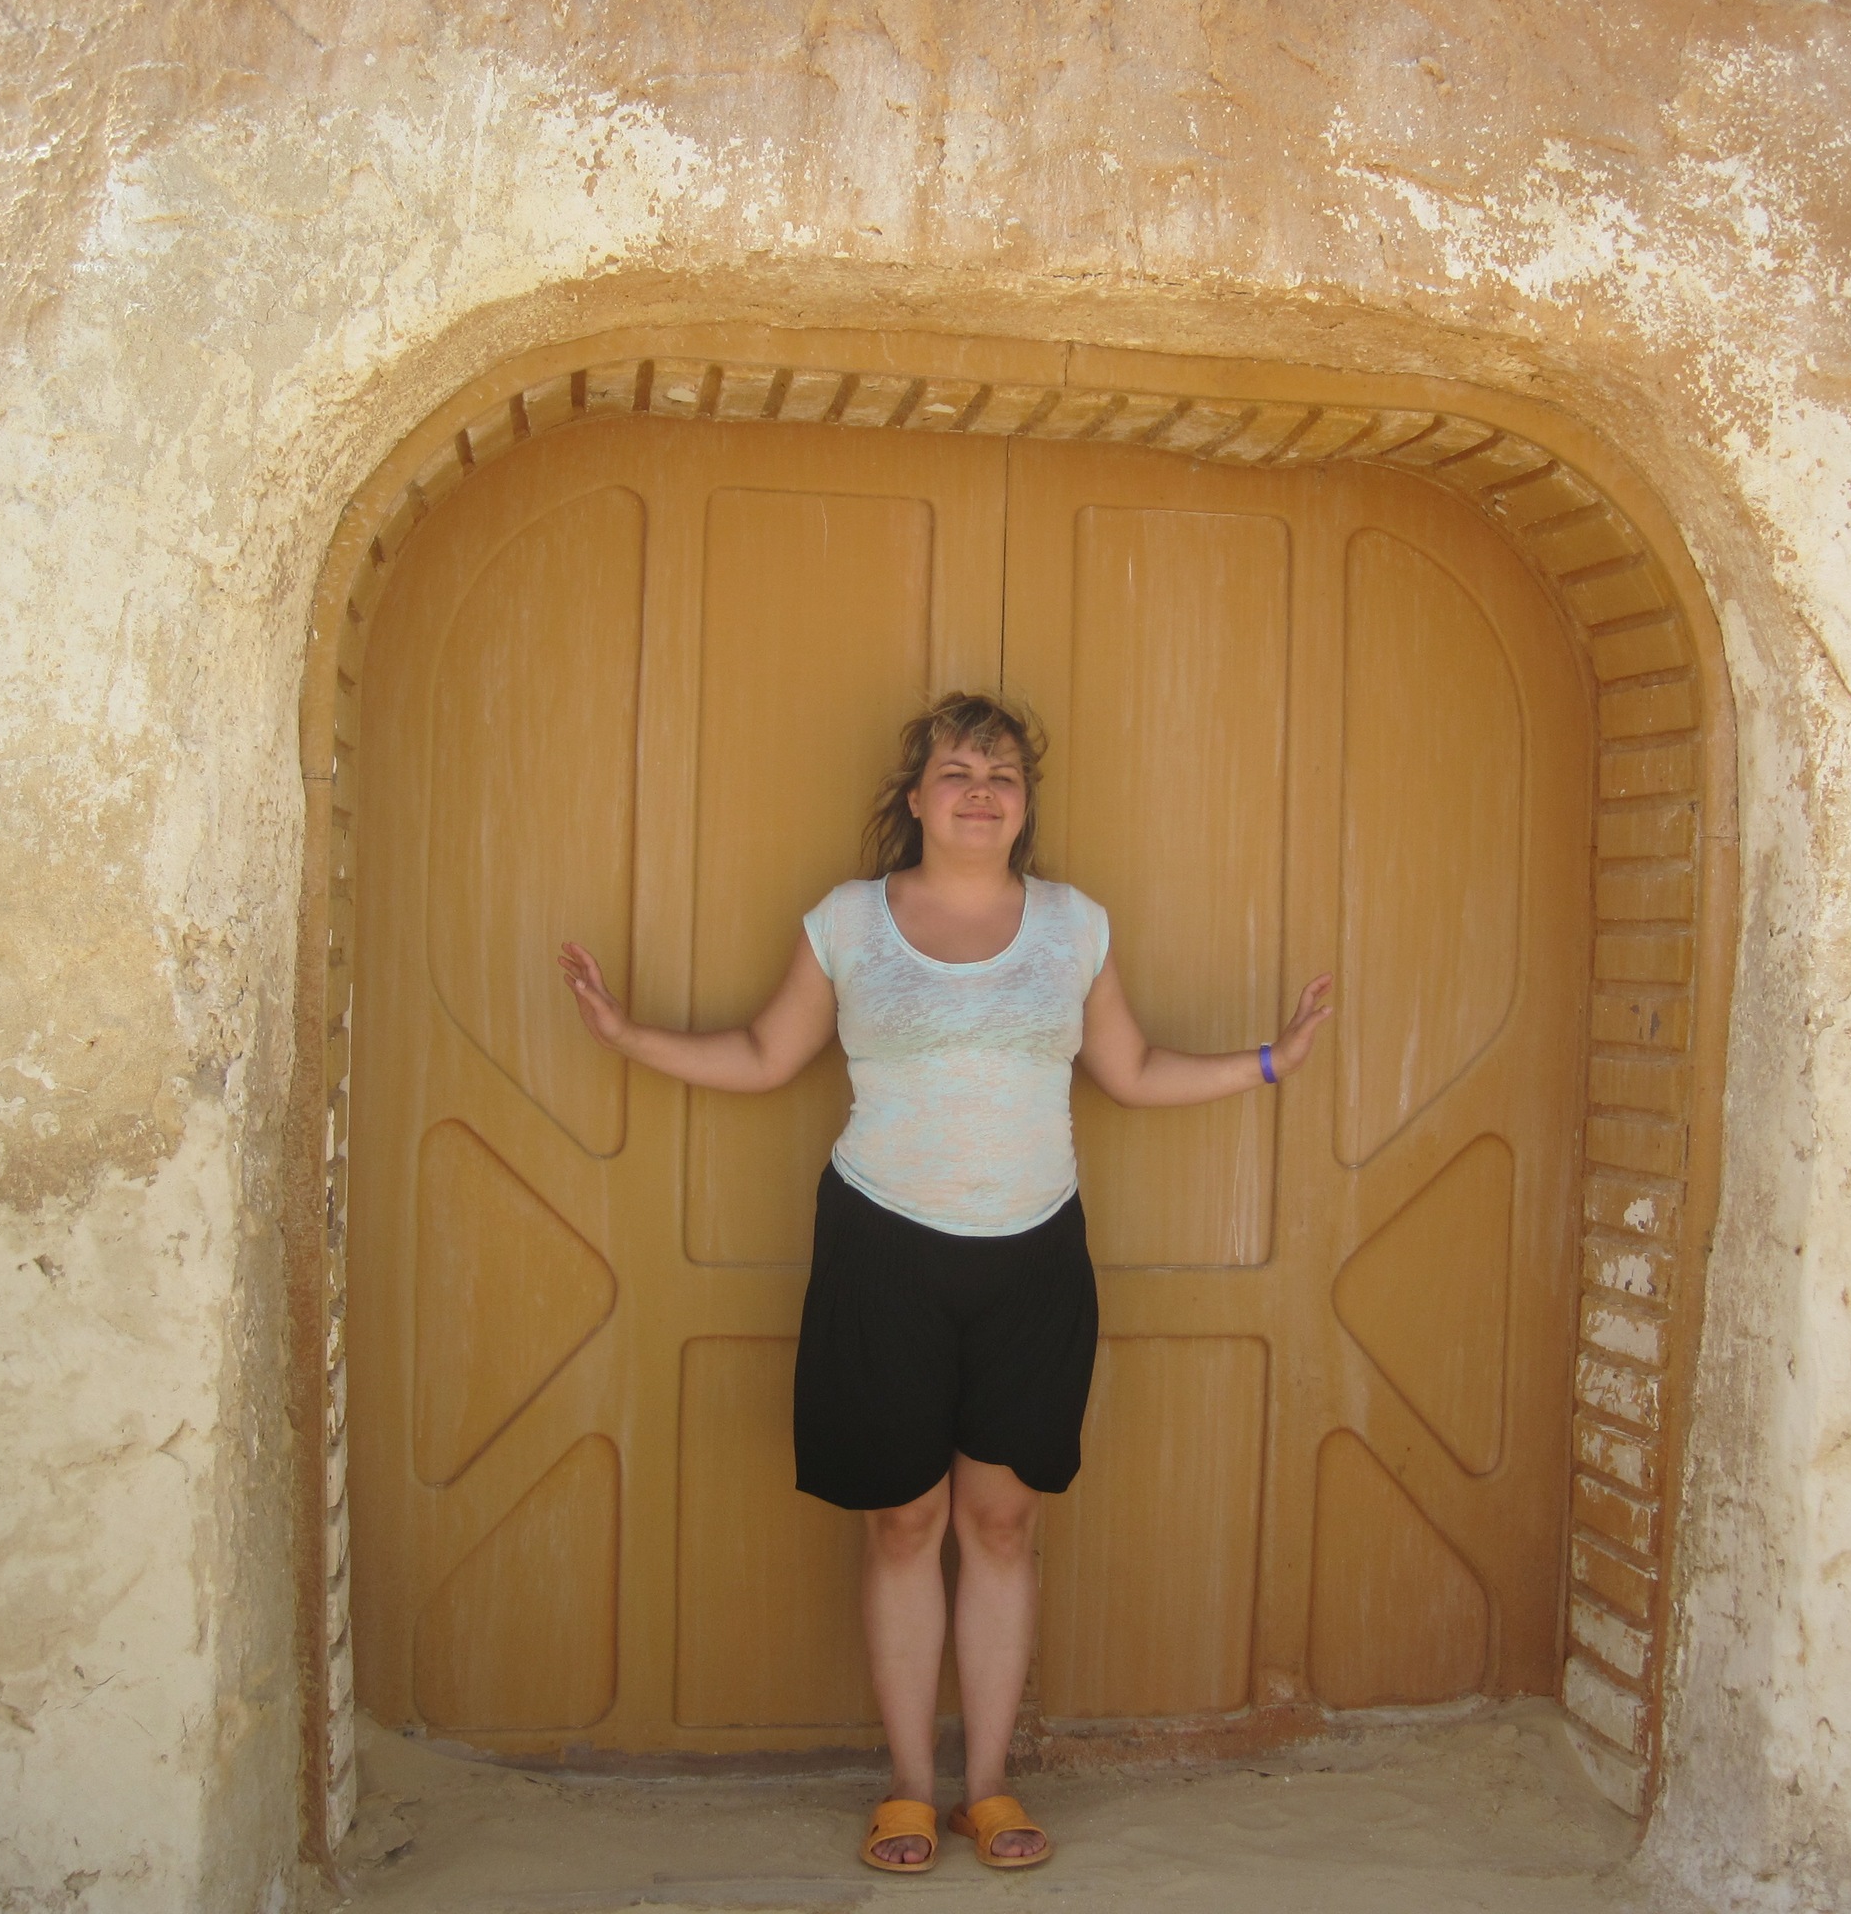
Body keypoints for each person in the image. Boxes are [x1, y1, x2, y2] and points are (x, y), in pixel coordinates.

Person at [558, 690, 1331, 1873]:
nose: (981, 790)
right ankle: (911, 1792)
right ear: (915, 798)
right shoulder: (848, 922)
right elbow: (764, 1054)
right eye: (957, 771)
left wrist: (1270, 1060)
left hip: (1034, 1255)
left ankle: (991, 1789)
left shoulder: (1073, 926)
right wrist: (627, 1036)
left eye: (1002, 773)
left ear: (1023, 805)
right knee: (905, 1520)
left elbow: (1129, 1070)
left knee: (1003, 1523)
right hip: (882, 1250)